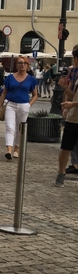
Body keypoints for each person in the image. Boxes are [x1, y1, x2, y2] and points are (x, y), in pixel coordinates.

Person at [0, 56, 38, 160]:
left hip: (24, 105)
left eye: (24, 63)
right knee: (10, 127)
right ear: (16, 65)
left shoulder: (31, 79)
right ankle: (9, 150)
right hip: (10, 104)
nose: (22, 65)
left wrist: (29, 104)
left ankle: (16, 149)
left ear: (27, 66)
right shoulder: (10, 77)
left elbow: (35, 94)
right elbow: (4, 93)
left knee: (20, 128)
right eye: (19, 63)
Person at [57, 46, 78, 187]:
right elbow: (73, 96)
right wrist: (65, 87)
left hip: (74, 113)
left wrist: (73, 104)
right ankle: (61, 172)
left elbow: (74, 101)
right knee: (66, 147)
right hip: (74, 118)